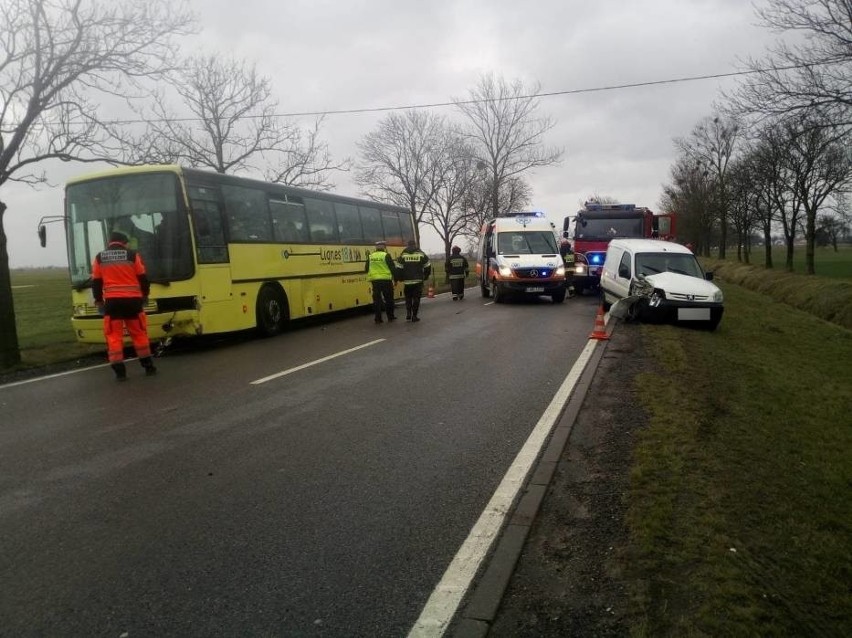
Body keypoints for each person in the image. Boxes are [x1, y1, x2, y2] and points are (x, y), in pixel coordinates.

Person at [92, 231, 157, 381]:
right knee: (139, 334)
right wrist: (145, 295)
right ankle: (148, 366)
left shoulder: (99, 257)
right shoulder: (133, 255)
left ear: (110, 243)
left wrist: (99, 301)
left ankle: (120, 372)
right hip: (133, 302)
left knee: (114, 337)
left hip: (113, 304)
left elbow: (96, 282)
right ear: (123, 242)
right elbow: (142, 277)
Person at [396, 239, 431, 322]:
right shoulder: (420, 253)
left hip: (407, 281)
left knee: (408, 298)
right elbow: (428, 265)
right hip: (418, 280)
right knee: (416, 299)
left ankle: (408, 313)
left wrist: (400, 277)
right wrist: (425, 276)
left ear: (408, 245)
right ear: (415, 245)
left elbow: (399, 267)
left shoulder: (403, 254)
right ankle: (414, 316)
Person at [364, 240, 397, 323]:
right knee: (389, 299)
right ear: (384, 247)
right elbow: (392, 268)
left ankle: (378, 318)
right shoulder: (386, 255)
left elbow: (366, 269)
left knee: (377, 300)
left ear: (376, 248)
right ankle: (390, 316)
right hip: (386, 280)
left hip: (375, 281)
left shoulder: (370, 256)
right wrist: (395, 279)